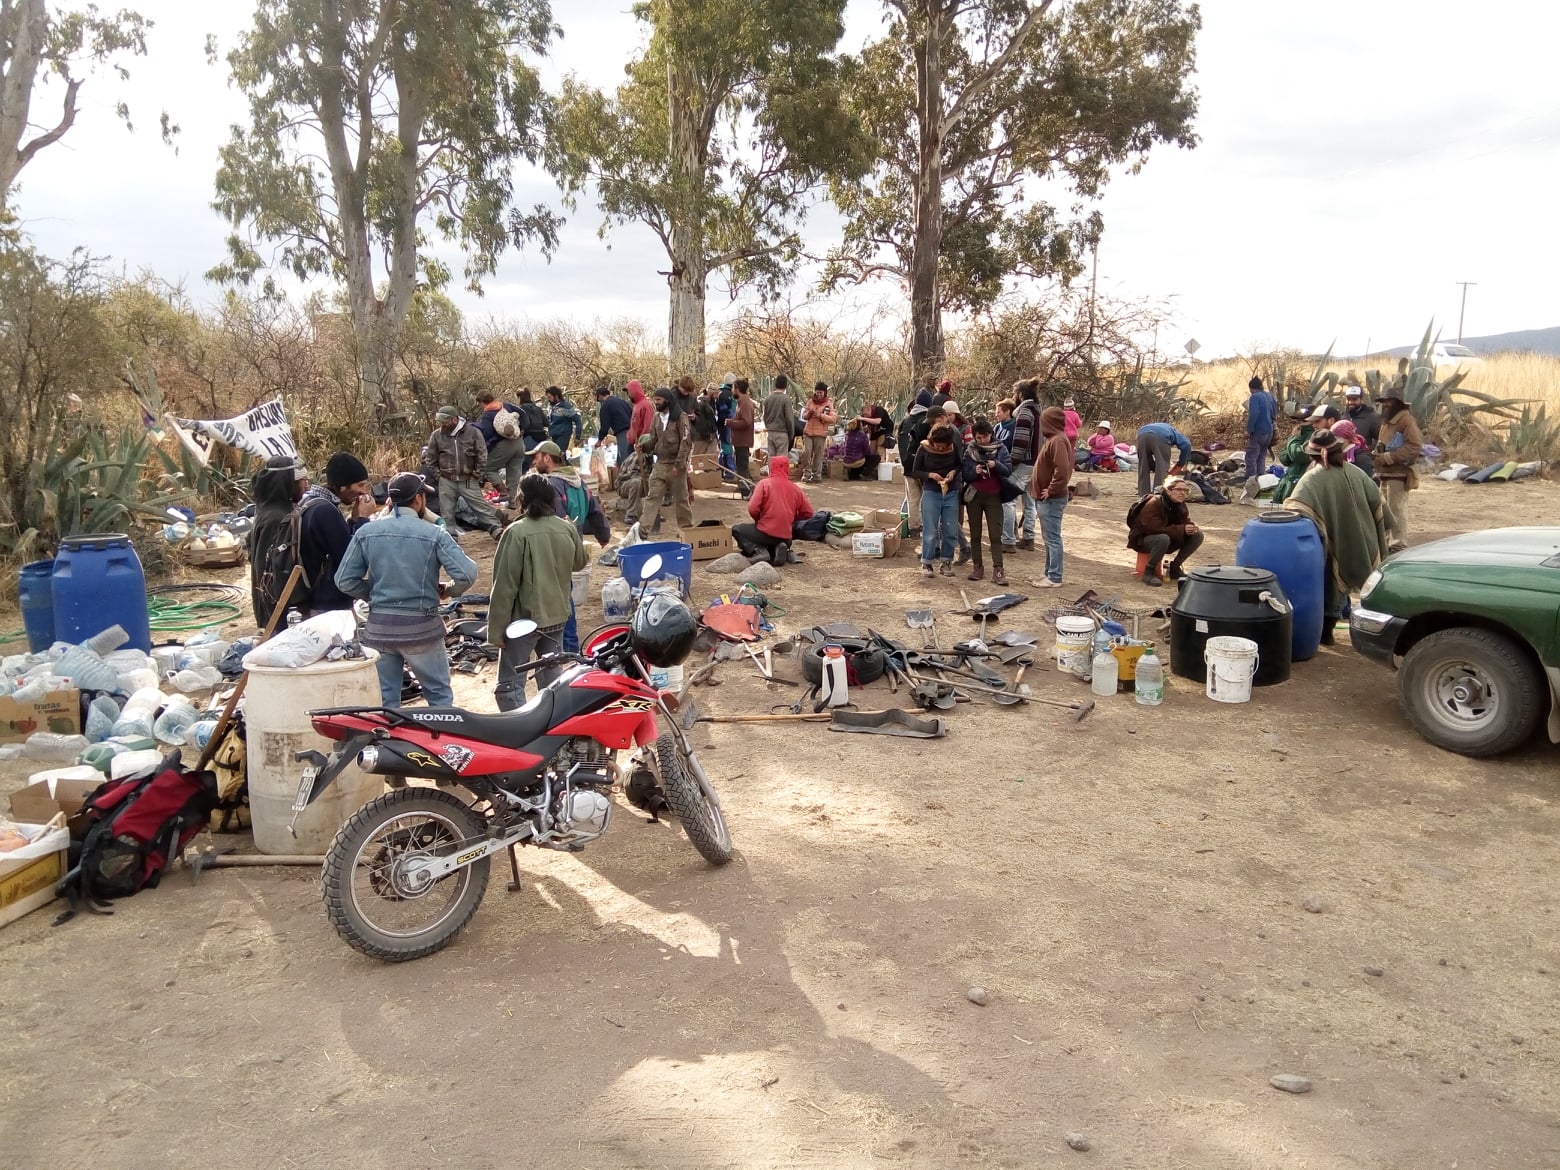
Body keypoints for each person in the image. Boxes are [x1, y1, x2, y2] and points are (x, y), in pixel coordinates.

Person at [335, 472, 478, 709]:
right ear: (419, 500)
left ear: (390, 500)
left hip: (380, 630)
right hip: (422, 629)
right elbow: (467, 574)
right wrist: (449, 591)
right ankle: (441, 743)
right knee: (439, 697)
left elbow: (344, 580)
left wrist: (377, 594)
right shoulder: (433, 534)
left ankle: (388, 744)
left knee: (385, 700)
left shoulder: (366, 533)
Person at [488, 474, 589, 711]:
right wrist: (573, 534)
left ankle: (520, 735)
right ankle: (556, 731)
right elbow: (579, 563)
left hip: (524, 622)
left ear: (522, 498)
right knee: (553, 682)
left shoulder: (516, 533)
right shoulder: (566, 528)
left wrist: (496, 632)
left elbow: (504, 586)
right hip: (557, 618)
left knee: (510, 685)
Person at [1288, 430, 1389, 644]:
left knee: (1330, 580)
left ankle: (1326, 632)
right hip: (1363, 538)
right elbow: (1379, 504)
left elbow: (1294, 509)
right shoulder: (1356, 472)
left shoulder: (1313, 478)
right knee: (1343, 577)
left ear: (1314, 456)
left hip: (1332, 542)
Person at [297, 451, 377, 617]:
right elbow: (351, 560)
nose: (363, 491)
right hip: (327, 607)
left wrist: (353, 521)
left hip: (315, 600)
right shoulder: (325, 511)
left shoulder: (310, 502)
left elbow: (334, 543)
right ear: (342, 486)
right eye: (360, 485)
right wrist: (363, 519)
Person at [421, 405, 504, 539]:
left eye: (445, 421)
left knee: (480, 506)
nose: (442, 425)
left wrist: (476, 474)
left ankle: (495, 529)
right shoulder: (436, 435)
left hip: (468, 479)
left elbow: (482, 454)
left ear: (454, 420)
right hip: (446, 479)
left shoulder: (473, 432)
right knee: (447, 512)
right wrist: (439, 475)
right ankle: (450, 536)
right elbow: (430, 459)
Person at [247, 454, 308, 625]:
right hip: (279, 608)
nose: (305, 485)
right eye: (302, 481)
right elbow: (267, 572)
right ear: (289, 483)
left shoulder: (271, 510)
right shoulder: (275, 517)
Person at [732, 455, 814, 567]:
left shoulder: (764, 484)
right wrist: (792, 519)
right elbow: (809, 513)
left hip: (766, 533)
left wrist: (758, 519)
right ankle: (780, 547)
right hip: (786, 537)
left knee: (737, 529)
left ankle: (759, 550)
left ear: (772, 467)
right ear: (787, 469)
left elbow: (752, 508)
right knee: (771, 537)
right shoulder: (795, 488)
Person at [528, 441, 611, 548]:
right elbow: (595, 511)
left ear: (547, 458)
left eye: (536, 457)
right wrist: (603, 536)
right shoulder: (580, 483)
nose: (534, 462)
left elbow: (557, 520)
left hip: (559, 548)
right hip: (576, 546)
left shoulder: (551, 485)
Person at [962, 418, 1014, 585]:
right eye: (979, 438)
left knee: (995, 534)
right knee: (975, 534)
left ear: (991, 435)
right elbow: (965, 475)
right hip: (975, 496)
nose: (982, 441)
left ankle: (998, 570)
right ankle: (977, 567)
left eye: (985, 437)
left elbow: (1008, 470)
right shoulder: (970, 450)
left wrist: (995, 464)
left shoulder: (1000, 448)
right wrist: (974, 471)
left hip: (994, 496)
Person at [1127, 475, 1203, 587]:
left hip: (1166, 537)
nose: (1183, 493)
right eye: (1179, 490)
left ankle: (1175, 568)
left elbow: (1184, 520)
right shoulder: (1154, 502)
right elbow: (1153, 528)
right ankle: (1149, 572)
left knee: (1197, 535)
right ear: (1168, 490)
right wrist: (1181, 529)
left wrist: (1189, 527)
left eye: (1185, 490)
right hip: (1143, 539)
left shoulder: (1179, 504)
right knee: (1162, 538)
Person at [1029, 406, 1073, 588]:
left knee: (1053, 537)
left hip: (1052, 499)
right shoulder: (1054, 439)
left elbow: (1062, 469)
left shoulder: (1057, 441)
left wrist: (1052, 489)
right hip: (1045, 498)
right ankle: (1048, 572)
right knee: (1049, 537)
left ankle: (1055, 577)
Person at [1374, 389, 1422, 552]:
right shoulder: (1387, 421)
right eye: (1384, 401)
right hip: (1386, 473)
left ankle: (1398, 545)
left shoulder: (1406, 421)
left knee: (1396, 509)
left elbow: (1414, 446)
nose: (1386, 404)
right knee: (1386, 510)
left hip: (1399, 473)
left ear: (1398, 403)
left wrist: (1390, 457)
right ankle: (1388, 544)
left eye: (1390, 401)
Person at [642, 386, 694, 535]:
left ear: (667, 400)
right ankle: (643, 530)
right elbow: (654, 439)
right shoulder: (656, 418)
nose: (656, 402)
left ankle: (686, 531)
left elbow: (685, 441)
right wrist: (644, 447)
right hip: (661, 463)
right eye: (655, 400)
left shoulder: (680, 417)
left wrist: (679, 464)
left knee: (682, 500)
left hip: (676, 465)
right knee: (652, 497)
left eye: (658, 400)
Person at [912, 424, 962, 577]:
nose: (940, 449)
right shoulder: (924, 448)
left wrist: (953, 472)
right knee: (930, 530)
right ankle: (927, 562)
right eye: (937, 446)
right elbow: (915, 471)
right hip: (931, 492)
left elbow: (959, 465)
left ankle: (946, 561)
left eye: (943, 447)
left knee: (950, 529)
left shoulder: (953, 448)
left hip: (950, 492)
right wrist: (930, 475)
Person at [473, 389, 528, 506]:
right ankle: (513, 502)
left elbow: (487, 433)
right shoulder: (506, 406)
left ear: (482, 402)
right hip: (519, 442)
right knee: (514, 472)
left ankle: (503, 494)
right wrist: (522, 429)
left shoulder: (488, 414)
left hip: (504, 445)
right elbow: (523, 414)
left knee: (488, 468)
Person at [1273, 405, 1337, 505]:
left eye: (1304, 421)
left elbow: (1298, 456)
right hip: (1288, 486)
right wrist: (1293, 442)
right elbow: (1284, 458)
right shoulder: (1298, 434)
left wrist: (1294, 439)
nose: (1300, 425)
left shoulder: (1316, 438)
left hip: (1302, 490)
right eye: (1298, 421)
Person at [1007, 379, 1042, 551]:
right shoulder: (1037, 411)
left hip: (1025, 462)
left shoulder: (1025, 413)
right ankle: (1029, 537)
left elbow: (1021, 441)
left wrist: (1011, 462)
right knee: (1030, 501)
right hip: (1036, 462)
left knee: (1008, 499)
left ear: (1020, 395)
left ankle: (1009, 538)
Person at [1241, 375, 1278, 504]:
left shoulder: (1255, 397)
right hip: (1269, 430)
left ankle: (1251, 483)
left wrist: (1249, 429)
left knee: (1251, 456)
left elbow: (1254, 414)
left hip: (1258, 430)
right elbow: (1274, 412)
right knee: (1262, 455)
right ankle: (1261, 479)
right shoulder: (1269, 396)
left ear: (1252, 388)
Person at [897, 402, 931, 535]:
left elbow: (899, 441)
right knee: (927, 498)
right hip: (923, 468)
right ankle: (927, 526)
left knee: (912, 498)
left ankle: (913, 527)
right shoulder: (926, 422)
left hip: (907, 466)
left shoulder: (905, 421)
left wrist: (904, 460)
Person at [1135, 421, 1192, 496]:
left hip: (1141, 435)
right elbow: (1187, 444)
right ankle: (1158, 493)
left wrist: (1153, 467)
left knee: (1143, 466)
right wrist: (1180, 464)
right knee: (1162, 466)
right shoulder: (1173, 431)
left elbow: (1149, 461)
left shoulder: (1160, 427)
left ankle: (1143, 494)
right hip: (1161, 436)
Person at [799, 381, 837, 483]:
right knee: (806, 452)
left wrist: (821, 416)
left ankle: (816, 475)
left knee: (818, 455)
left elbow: (833, 418)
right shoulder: (810, 402)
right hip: (808, 432)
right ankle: (806, 473)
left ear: (824, 393)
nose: (819, 394)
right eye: (817, 392)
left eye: (821, 392)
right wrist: (809, 413)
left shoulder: (828, 404)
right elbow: (804, 416)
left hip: (820, 433)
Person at [615, 434, 654, 524]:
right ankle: (631, 514)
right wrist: (643, 478)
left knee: (656, 482)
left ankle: (653, 513)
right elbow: (631, 475)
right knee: (636, 482)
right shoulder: (637, 457)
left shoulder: (649, 458)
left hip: (639, 483)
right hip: (623, 486)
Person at [594, 385, 634, 468]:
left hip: (622, 432)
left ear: (600, 396)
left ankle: (628, 478)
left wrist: (600, 440)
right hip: (632, 431)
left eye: (599, 400)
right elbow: (632, 414)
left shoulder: (605, 405)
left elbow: (605, 425)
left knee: (625, 459)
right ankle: (619, 475)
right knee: (627, 456)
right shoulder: (622, 402)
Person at [729, 378, 756, 480]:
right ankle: (747, 488)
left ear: (737, 389)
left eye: (733, 388)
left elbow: (746, 421)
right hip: (740, 440)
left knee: (742, 467)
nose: (732, 391)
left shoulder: (745, 404)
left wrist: (731, 423)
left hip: (742, 441)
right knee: (742, 466)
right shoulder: (741, 403)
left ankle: (746, 490)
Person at [762, 376, 796, 459]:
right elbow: (789, 419)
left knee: (771, 457)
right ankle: (779, 473)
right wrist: (791, 434)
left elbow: (764, 416)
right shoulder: (786, 399)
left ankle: (771, 472)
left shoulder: (767, 399)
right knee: (781, 458)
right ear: (786, 386)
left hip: (770, 432)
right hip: (782, 432)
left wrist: (768, 427)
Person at [545, 386, 583, 453]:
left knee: (560, 454)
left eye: (550, 397)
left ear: (556, 396)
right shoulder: (551, 406)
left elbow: (577, 420)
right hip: (554, 434)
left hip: (563, 434)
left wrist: (577, 436)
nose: (549, 399)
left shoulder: (566, 407)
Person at [515, 388, 549, 453]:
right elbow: (546, 423)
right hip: (541, 436)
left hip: (528, 437)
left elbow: (525, 424)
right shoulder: (538, 409)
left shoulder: (520, 410)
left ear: (520, 398)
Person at [626, 380, 654, 448]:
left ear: (634, 391)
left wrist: (642, 442)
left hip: (640, 444)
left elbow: (648, 425)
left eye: (629, 392)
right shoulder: (637, 404)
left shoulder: (645, 405)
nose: (628, 395)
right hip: (634, 442)